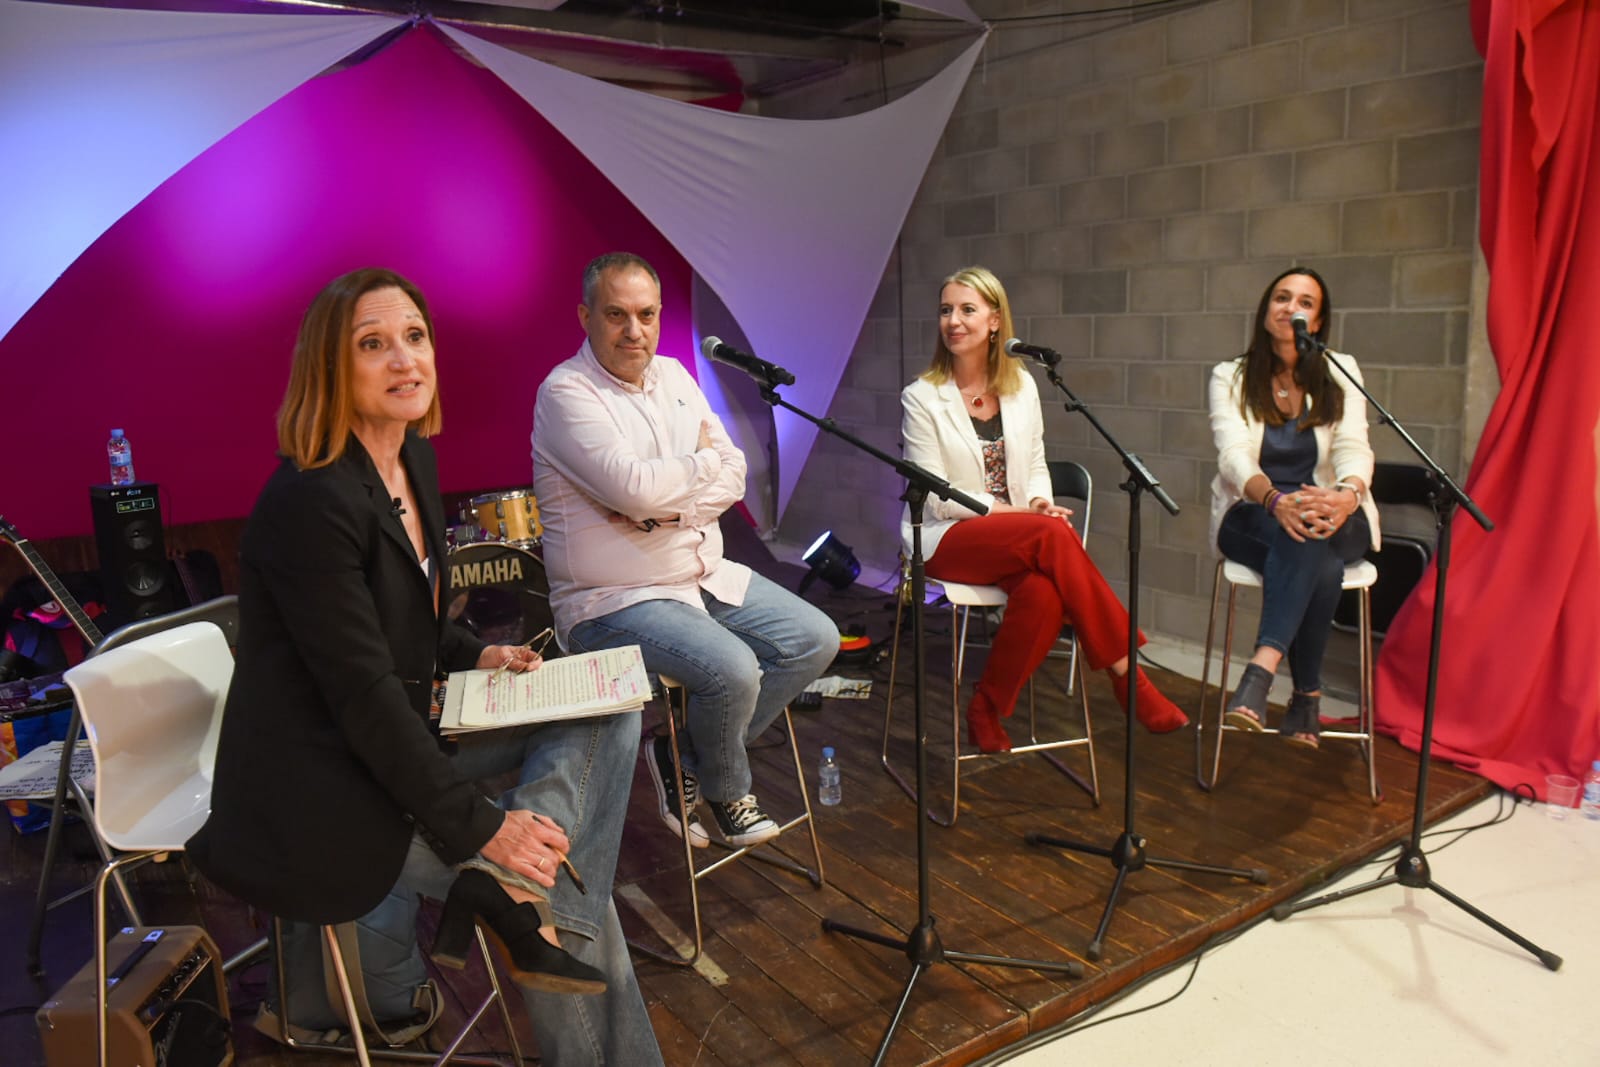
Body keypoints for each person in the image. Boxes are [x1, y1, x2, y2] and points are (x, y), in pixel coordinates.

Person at [187, 268, 663, 1066]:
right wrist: (487, 828)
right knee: (557, 880)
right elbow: (363, 695)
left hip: (396, 737)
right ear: (330, 368)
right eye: (373, 344)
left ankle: (524, 883)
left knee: (608, 708)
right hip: (321, 788)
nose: (405, 358)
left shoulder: (412, 457)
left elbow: (410, 615)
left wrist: (476, 652)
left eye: (414, 336)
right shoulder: (310, 502)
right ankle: (530, 893)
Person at [532, 252, 836, 849]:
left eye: (646, 315)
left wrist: (665, 507)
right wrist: (693, 473)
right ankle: (728, 791)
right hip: (613, 600)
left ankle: (683, 759)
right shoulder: (566, 392)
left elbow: (734, 473)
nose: (634, 330)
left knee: (816, 639)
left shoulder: (674, 375)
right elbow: (633, 489)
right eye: (616, 315)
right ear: (586, 317)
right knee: (733, 669)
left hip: (698, 573)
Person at [900, 266, 1189, 754]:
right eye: (946, 310)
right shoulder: (922, 398)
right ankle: (1129, 677)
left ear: (995, 321)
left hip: (1017, 536)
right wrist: (1023, 517)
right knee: (1050, 534)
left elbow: (1034, 463)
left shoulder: (1021, 386)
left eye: (967, 309)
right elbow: (937, 496)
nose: (953, 320)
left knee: (1045, 594)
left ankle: (986, 706)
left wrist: (1037, 501)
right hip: (944, 538)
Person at [1207, 265, 1380, 749]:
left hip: (1333, 508)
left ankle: (1261, 672)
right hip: (1255, 508)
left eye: (1305, 302)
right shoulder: (1230, 375)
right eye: (1282, 298)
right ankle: (1306, 696)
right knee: (1313, 551)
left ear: (1318, 321)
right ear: (1266, 310)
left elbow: (1354, 446)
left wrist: (1347, 495)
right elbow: (1233, 453)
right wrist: (1275, 499)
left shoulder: (1340, 370)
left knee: (1310, 536)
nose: (1291, 308)